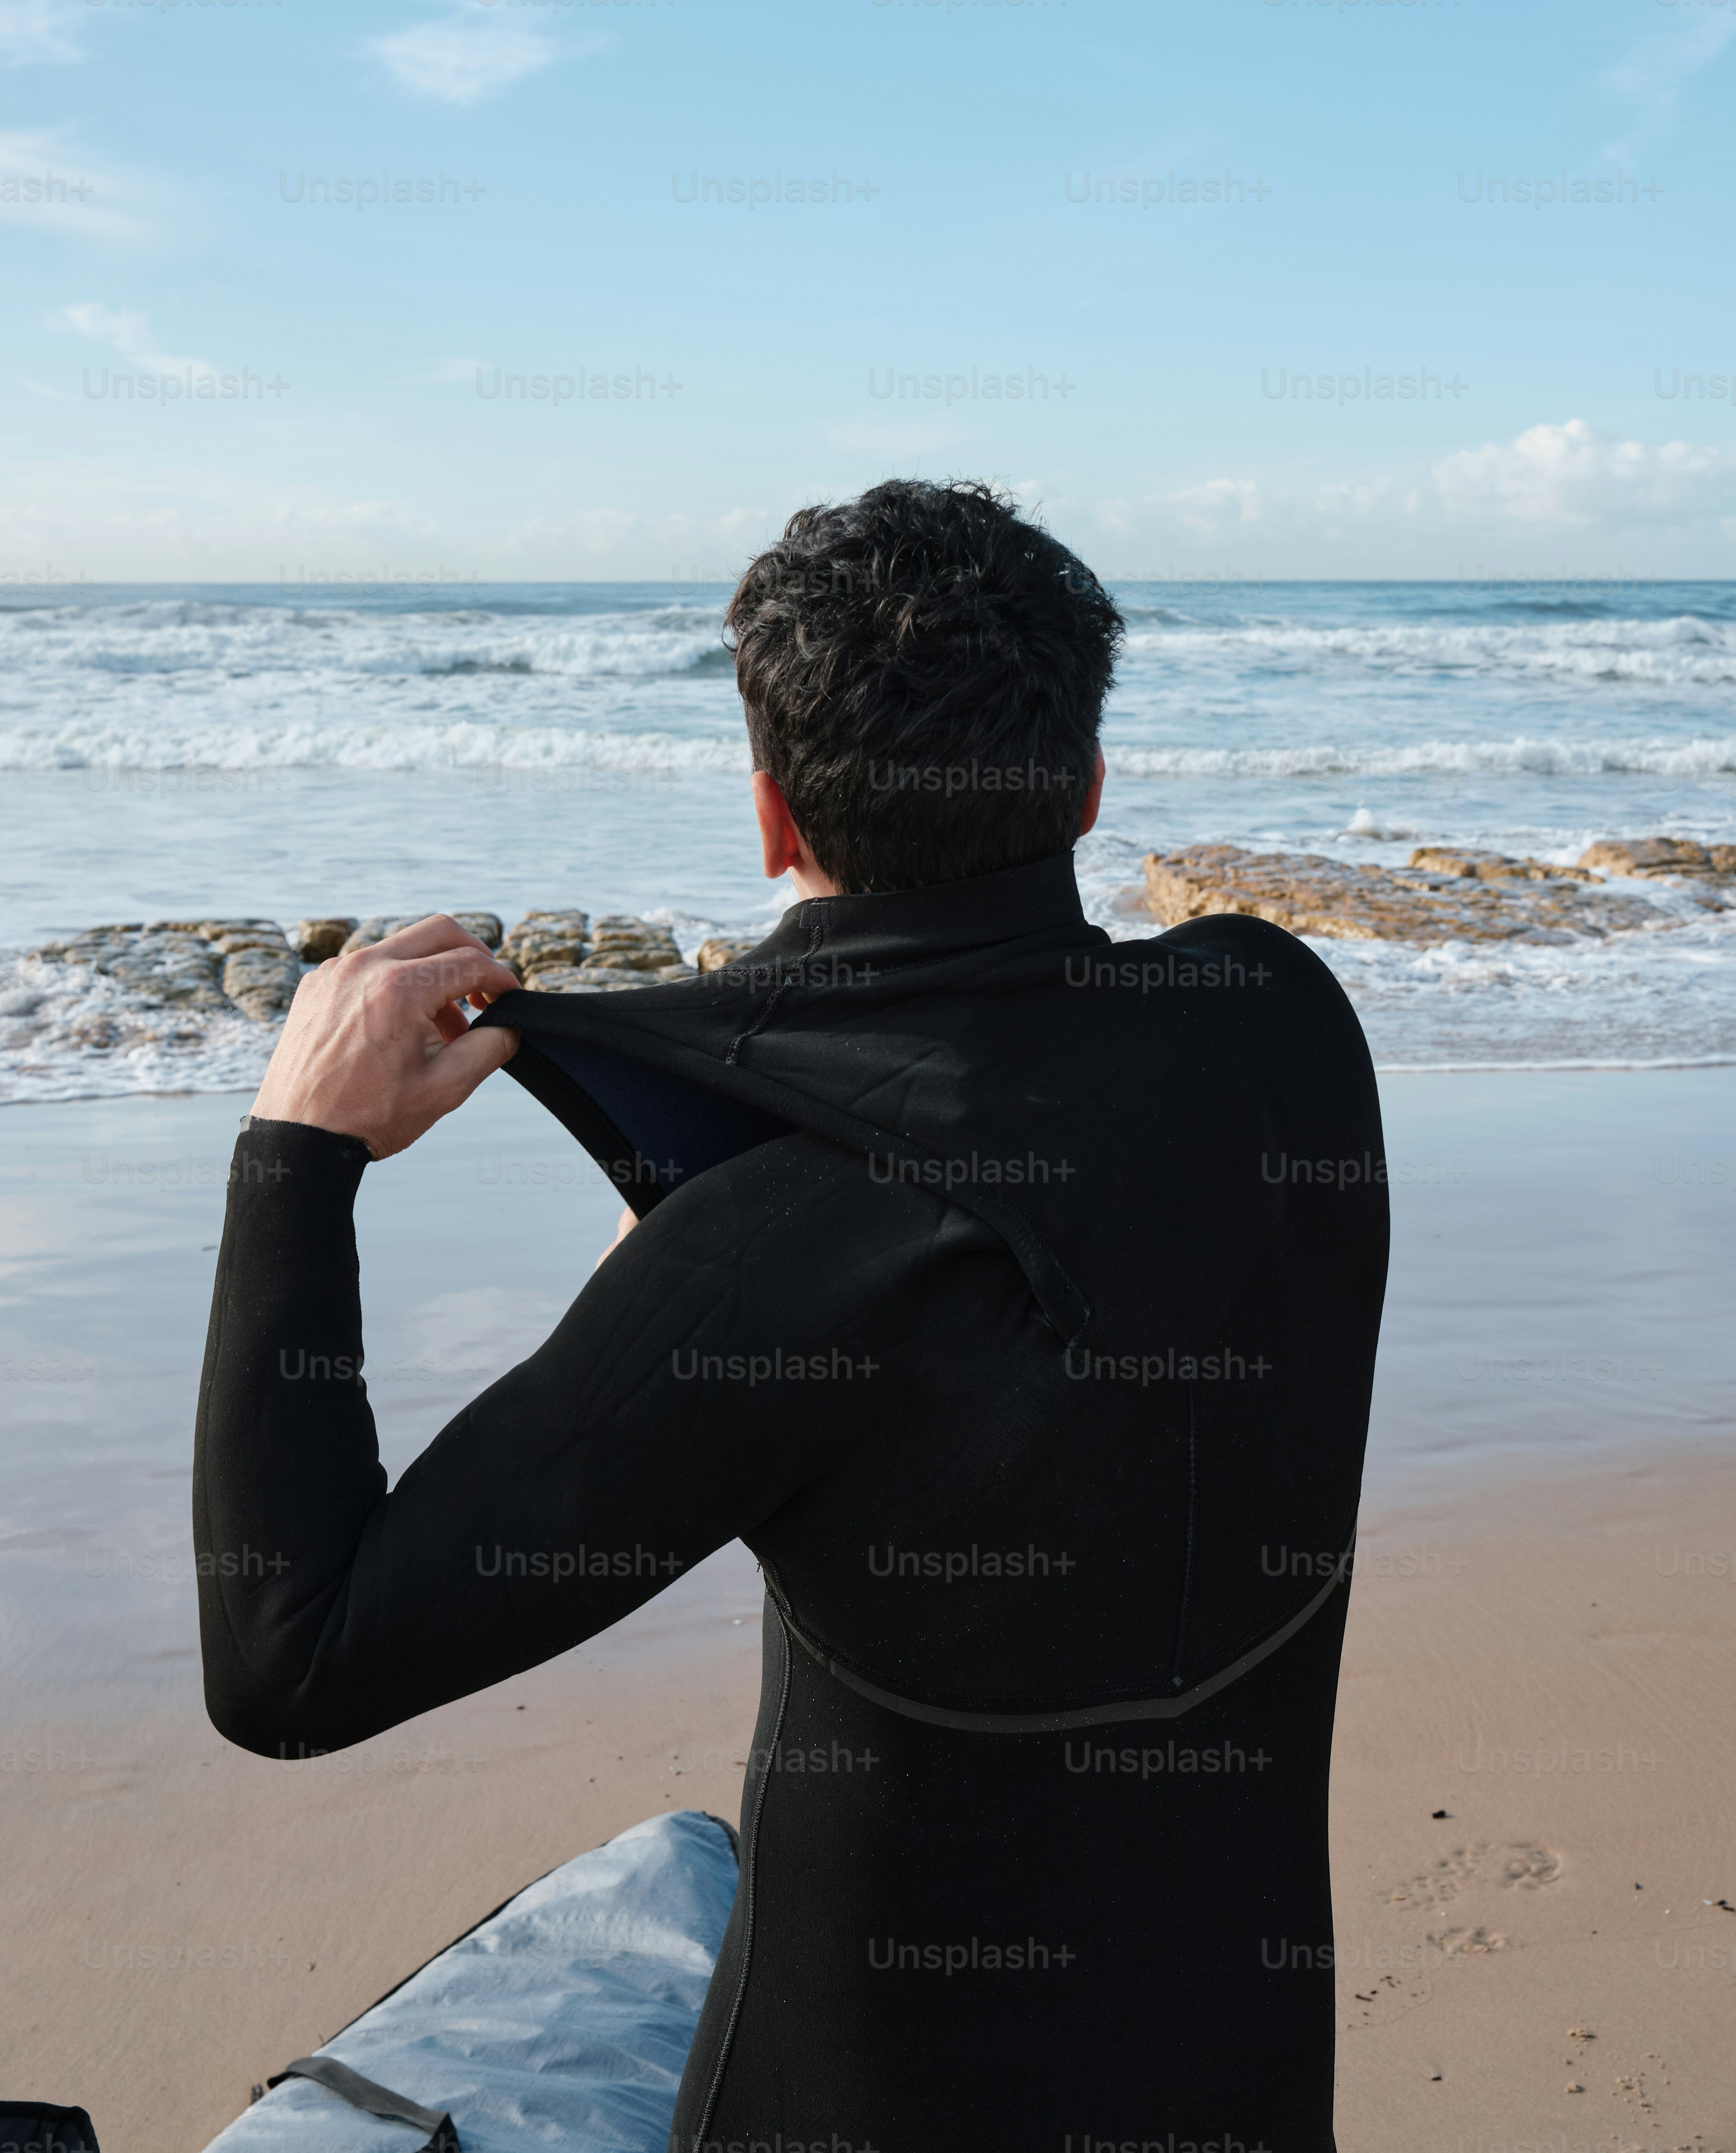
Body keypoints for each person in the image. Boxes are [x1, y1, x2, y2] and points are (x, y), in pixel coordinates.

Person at [195, 480, 1387, 2151]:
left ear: (769, 814)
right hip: (1243, 2087)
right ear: (1090, 786)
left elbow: (290, 1660)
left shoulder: (776, 1254)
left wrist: (297, 1155)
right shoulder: (1287, 1026)